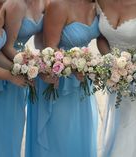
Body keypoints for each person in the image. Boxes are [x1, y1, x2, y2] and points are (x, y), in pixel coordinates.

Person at [25, 0, 99, 156]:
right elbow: (49, 47)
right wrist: (74, 66)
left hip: (82, 79)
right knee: (59, 138)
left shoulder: (97, 5)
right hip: (58, 80)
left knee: (79, 133)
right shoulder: (59, 5)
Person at [96, 0, 136, 156]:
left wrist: (131, 69)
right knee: (121, 121)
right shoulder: (101, 3)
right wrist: (112, 62)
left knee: (133, 121)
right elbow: (101, 38)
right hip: (115, 73)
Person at [0, 0, 44, 156]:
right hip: (1, 81)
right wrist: (11, 75)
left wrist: (21, 69)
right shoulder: (13, 6)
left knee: (10, 131)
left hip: (7, 73)